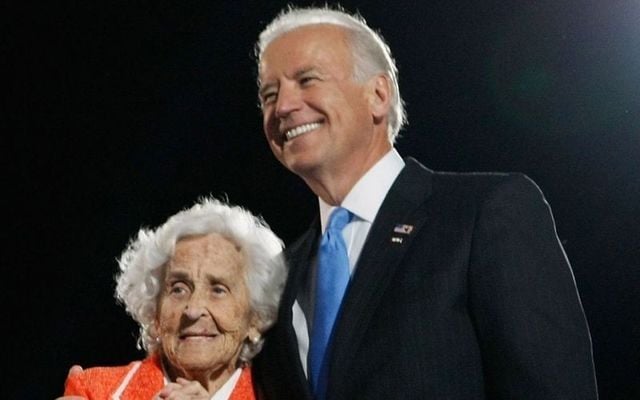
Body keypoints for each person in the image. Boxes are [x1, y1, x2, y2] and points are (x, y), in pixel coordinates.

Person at [252, 5, 598, 400]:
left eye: (307, 80)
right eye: (269, 94)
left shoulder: (485, 214)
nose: (282, 107)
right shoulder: (282, 275)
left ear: (378, 95)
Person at [58, 197, 287, 399]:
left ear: (256, 319)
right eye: (178, 289)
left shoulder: (287, 395)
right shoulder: (95, 393)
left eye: (218, 289)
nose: (194, 309)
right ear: (154, 315)